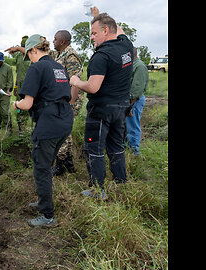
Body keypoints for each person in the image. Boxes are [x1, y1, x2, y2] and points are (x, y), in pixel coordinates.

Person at [69, 6, 134, 198]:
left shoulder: (101, 56)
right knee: (116, 146)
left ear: (105, 31)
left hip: (101, 111)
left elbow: (93, 87)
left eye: (94, 33)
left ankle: (98, 189)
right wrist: (98, 16)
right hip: (121, 107)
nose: (91, 37)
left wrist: (76, 81)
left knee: (94, 148)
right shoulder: (126, 46)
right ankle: (121, 182)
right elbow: (117, 28)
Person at [13, 34, 73, 227]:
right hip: (64, 120)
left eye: (28, 54)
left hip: (49, 123)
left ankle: (47, 215)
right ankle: (42, 201)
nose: (28, 59)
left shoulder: (36, 68)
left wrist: (15, 104)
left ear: (33, 50)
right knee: (46, 163)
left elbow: (27, 104)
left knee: (41, 168)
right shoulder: (58, 67)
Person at [50, 30, 84, 176]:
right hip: (62, 99)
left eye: (55, 39)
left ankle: (61, 165)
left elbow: (75, 82)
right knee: (64, 130)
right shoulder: (59, 54)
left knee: (61, 130)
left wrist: (69, 105)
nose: (53, 41)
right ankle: (68, 162)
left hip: (69, 101)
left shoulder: (71, 56)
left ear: (62, 42)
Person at [5, 36, 31, 135]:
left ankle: (28, 127)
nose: (23, 48)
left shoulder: (33, 56)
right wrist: (15, 87)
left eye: (25, 46)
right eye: (22, 46)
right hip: (20, 85)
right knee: (19, 107)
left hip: (30, 86)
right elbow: (18, 72)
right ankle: (21, 128)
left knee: (29, 106)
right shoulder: (19, 56)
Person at [125, 47, 148, 155]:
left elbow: (137, 89)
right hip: (128, 101)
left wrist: (130, 106)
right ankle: (126, 150)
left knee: (132, 126)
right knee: (126, 126)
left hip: (134, 101)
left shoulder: (139, 66)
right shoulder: (130, 65)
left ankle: (134, 153)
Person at [0, 52, 13, 131]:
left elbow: (10, 80)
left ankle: (9, 127)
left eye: (0, 61)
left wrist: (8, 90)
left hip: (4, 93)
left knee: (5, 112)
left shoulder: (8, 68)